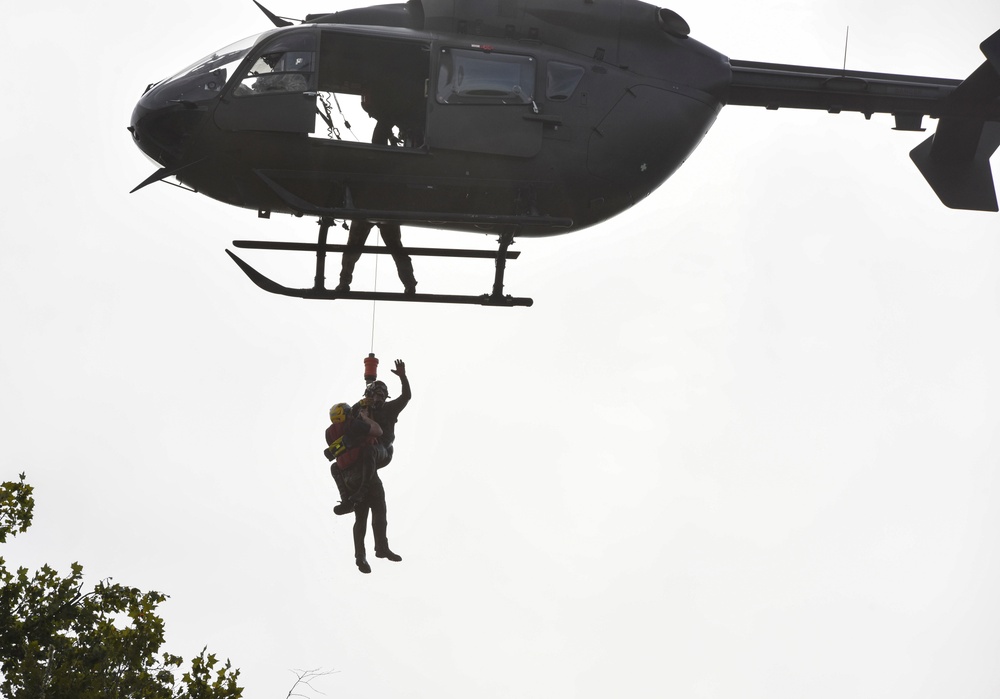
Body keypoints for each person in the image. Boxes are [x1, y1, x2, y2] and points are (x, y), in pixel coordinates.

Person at [347, 359, 412, 572]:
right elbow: (345, 421)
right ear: (369, 395)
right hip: (364, 461)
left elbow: (407, 397)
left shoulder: (390, 409)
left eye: (383, 396)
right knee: (365, 512)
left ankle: (381, 546)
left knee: (371, 451)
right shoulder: (361, 408)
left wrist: (402, 376)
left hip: (382, 451)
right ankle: (362, 556)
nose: (380, 399)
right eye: (376, 395)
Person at [335, 220, 417, 295]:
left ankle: (344, 282)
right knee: (396, 248)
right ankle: (409, 284)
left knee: (353, 247)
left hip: (365, 209)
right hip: (385, 210)